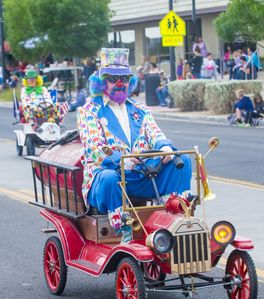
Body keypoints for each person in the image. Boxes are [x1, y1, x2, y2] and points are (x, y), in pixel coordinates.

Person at [77, 48, 192, 243]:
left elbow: (154, 132)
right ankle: (123, 228)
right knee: (108, 177)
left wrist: (164, 148)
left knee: (183, 160)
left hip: (142, 174)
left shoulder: (140, 109)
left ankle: (175, 211)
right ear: (102, 81)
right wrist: (121, 162)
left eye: (125, 78)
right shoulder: (89, 110)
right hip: (109, 179)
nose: (120, 83)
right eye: (113, 78)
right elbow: (94, 146)